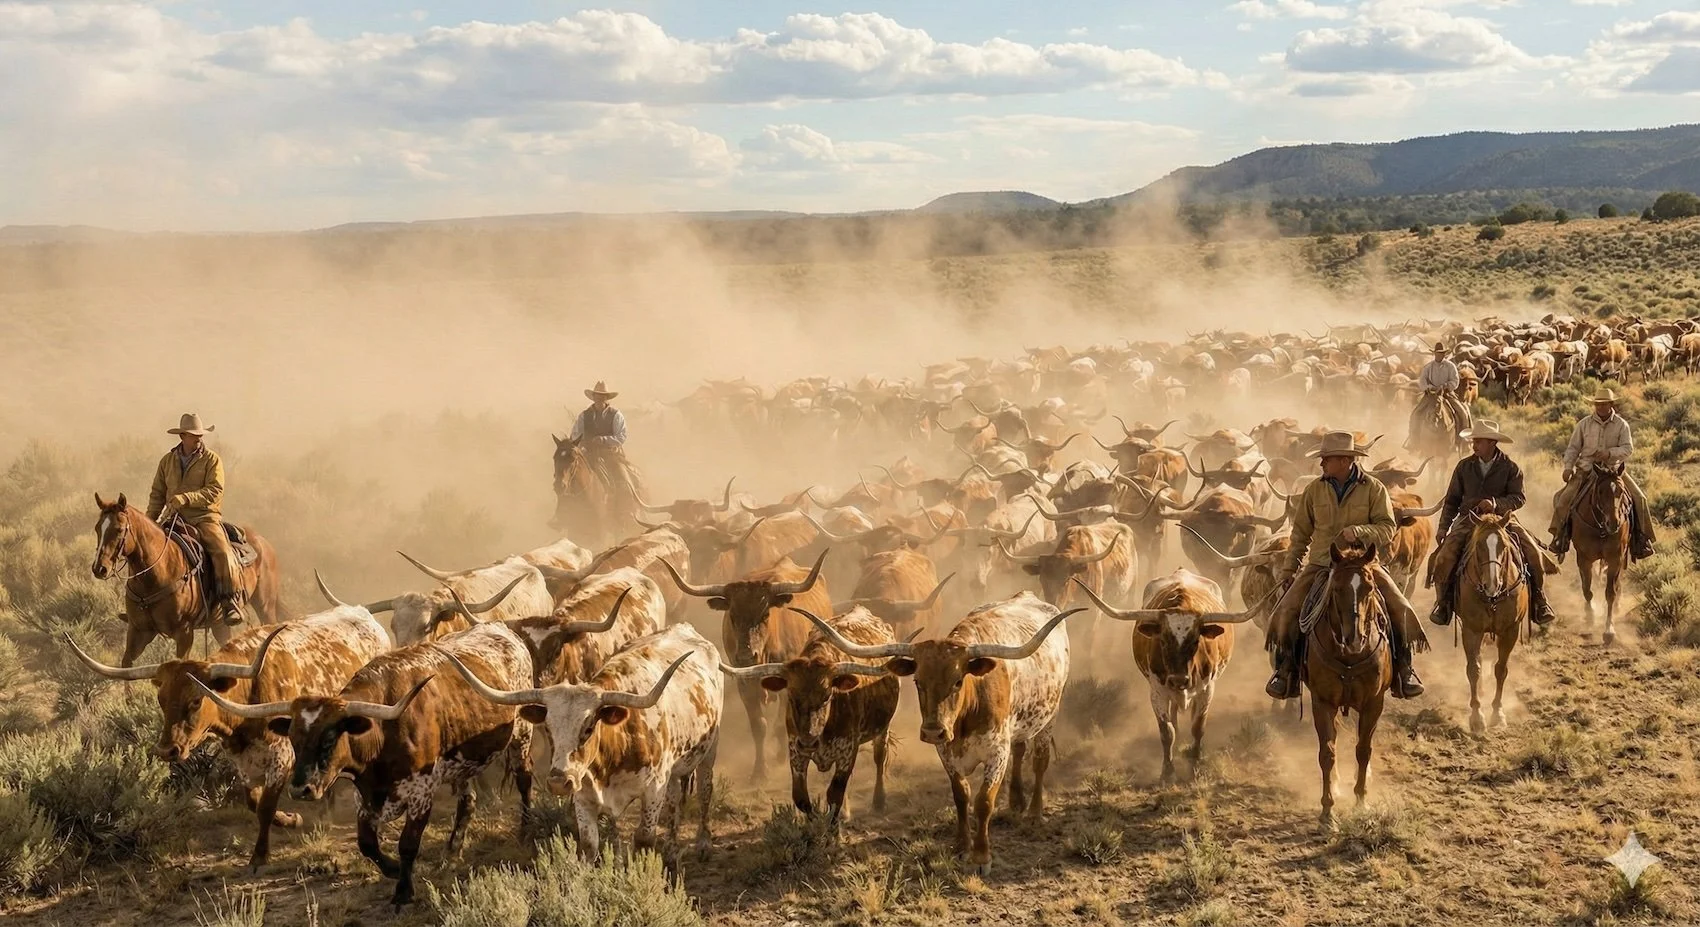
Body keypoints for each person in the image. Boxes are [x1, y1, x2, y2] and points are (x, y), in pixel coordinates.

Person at [1265, 432, 1428, 700]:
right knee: (1285, 610)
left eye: (1326, 459)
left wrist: (1360, 531)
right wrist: (1288, 570)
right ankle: (1286, 671)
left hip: (1363, 565)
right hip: (1321, 564)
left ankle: (1404, 669)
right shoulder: (1314, 490)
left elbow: (1387, 529)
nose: (1321, 465)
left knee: (1401, 607)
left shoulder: (1374, 489)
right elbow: (1300, 535)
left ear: (1344, 461)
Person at [1428, 420, 1557, 627]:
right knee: (1444, 557)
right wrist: (1444, 527)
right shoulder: (1464, 467)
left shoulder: (1510, 467)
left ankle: (1540, 601)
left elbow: (1518, 498)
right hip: (1469, 519)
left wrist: (1496, 504)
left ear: (1492, 443)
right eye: (1473, 441)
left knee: (1533, 552)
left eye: (1478, 441)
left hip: (1502, 520)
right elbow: (1452, 499)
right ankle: (1443, 603)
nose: (1474, 445)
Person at [146, 413, 244, 627]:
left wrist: (187, 498)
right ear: (182, 436)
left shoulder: (212, 460)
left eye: (200, 434)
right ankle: (143, 607)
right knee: (147, 553)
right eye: (193, 435)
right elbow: (157, 495)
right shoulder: (167, 461)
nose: (199, 438)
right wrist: (149, 524)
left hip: (204, 517)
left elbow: (215, 490)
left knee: (221, 551)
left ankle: (230, 601)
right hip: (173, 518)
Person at [1549, 389, 1656, 561]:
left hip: (1614, 472)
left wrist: (1609, 453)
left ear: (1611, 405)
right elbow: (1573, 448)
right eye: (1597, 404)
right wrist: (1568, 467)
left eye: (1604, 404)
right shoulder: (1584, 424)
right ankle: (1560, 538)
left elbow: (1628, 448)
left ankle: (1641, 541)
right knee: (1562, 500)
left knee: (1640, 498)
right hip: (1586, 471)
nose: (1600, 407)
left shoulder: (1622, 425)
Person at [570, 381, 636, 497]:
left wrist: (604, 440)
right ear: (593, 397)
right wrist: (582, 443)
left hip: (611, 455)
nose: (600, 398)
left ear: (606, 398)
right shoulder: (584, 415)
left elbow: (621, 436)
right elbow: (575, 434)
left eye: (602, 396)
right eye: (597, 396)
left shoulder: (616, 415)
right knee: (570, 478)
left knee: (624, 480)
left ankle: (627, 509)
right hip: (588, 455)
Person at [1406, 342, 1472, 451]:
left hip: (1447, 394)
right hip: (1430, 395)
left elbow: (1455, 381)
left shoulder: (1450, 366)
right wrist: (1429, 387)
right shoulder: (1428, 367)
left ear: (1444, 354)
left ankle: (1464, 441)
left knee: (1463, 412)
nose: (1439, 355)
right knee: (1415, 413)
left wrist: (1446, 386)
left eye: (1441, 353)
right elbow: (1422, 380)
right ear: (1434, 354)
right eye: (1437, 353)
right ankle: (1414, 440)